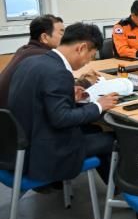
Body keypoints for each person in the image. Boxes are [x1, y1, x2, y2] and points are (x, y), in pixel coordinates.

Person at [8, 23, 118, 183]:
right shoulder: (59, 72)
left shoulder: (30, 62)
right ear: (81, 48)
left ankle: (114, 189)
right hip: (46, 154)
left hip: (20, 147)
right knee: (112, 139)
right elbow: (62, 119)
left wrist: (68, 96)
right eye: (91, 56)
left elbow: (38, 99)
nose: (88, 62)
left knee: (93, 129)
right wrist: (99, 105)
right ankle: (119, 191)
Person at [0, 14, 64, 108]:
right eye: (61, 34)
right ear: (44, 37)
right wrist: (83, 82)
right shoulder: (44, 57)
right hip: (17, 114)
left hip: (6, 114)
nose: (65, 38)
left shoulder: (23, 50)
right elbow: (59, 90)